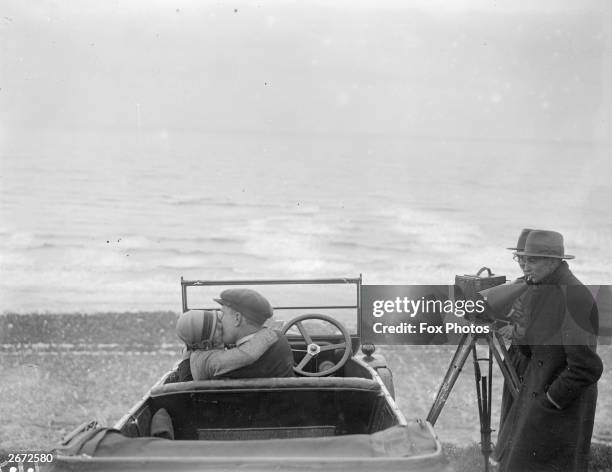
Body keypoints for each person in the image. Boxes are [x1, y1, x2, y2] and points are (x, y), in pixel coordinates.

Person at [496, 230, 603, 472]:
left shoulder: (574, 296)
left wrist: (549, 401)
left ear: (553, 261)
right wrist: (520, 327)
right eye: (522, 259)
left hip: (558, 408)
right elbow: (533, 349)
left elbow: (586, 367)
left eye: (532, 260)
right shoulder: (542, 288)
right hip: (540, 398)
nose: (525, 266)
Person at [189, 288, 295, 379]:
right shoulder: (280, 340)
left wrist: (187, 359)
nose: (219, 321)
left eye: (223, 314)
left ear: (237, 318)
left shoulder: (230, 365)